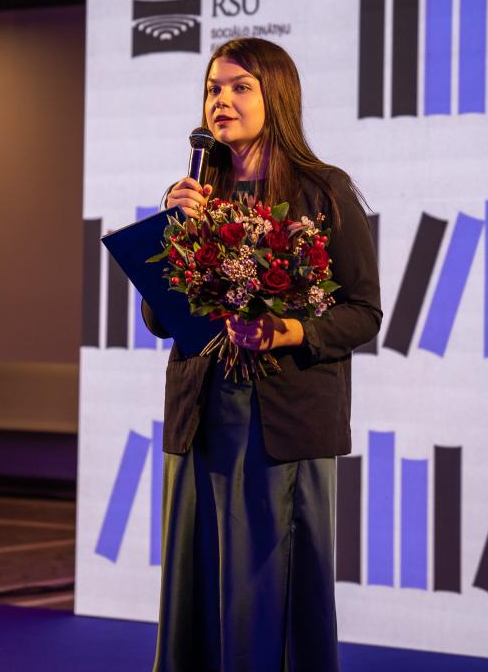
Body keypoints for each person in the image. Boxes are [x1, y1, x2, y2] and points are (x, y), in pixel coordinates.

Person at [142, 38, 382, 672]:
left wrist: (290, 330)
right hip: (202, 417)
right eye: (213, 89)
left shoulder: (323, 191)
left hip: (284, 422)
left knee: (273, 592)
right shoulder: (195, 193)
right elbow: (158, 319)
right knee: (199, 583)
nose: (221, 100)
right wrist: (174, 226)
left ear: (277, 96)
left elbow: (364, 311)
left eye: (239, 87)